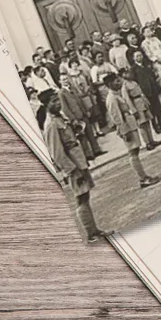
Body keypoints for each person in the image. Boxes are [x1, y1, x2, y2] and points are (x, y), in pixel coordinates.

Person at [39, 92, 103, 241]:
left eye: (58, 100)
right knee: (80, 198)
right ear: (46, 105)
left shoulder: (60, 118)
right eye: (54, 102)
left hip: (78, 159)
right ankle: (90, 234)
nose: (58, 104)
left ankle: (94, 230)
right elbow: (56, 153)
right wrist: (72, 170)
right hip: (73, 165)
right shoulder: (51, 124)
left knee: (85, 195)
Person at [98, 75, 161, 188]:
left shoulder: (116, 95)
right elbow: (116, 116)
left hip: (129, 124)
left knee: (135, 151)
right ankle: (143, 178)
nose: (118, 82)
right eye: (115, 81)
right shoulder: (112, 98)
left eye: (118, 80)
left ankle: (143, 177)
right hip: (126, 127)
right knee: (133, 152)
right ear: (109, 85)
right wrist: (124, 131)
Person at [126, 47, 161, 135]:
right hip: (145, 92)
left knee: (158, 107)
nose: (140, 57)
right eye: (137, 56)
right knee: (151, 110)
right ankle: (155, 126)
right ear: (134, 58)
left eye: (140, 55)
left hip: (153, 89)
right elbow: (134, 81)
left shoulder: (146, 65)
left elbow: (153, 75)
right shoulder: (134, 69)